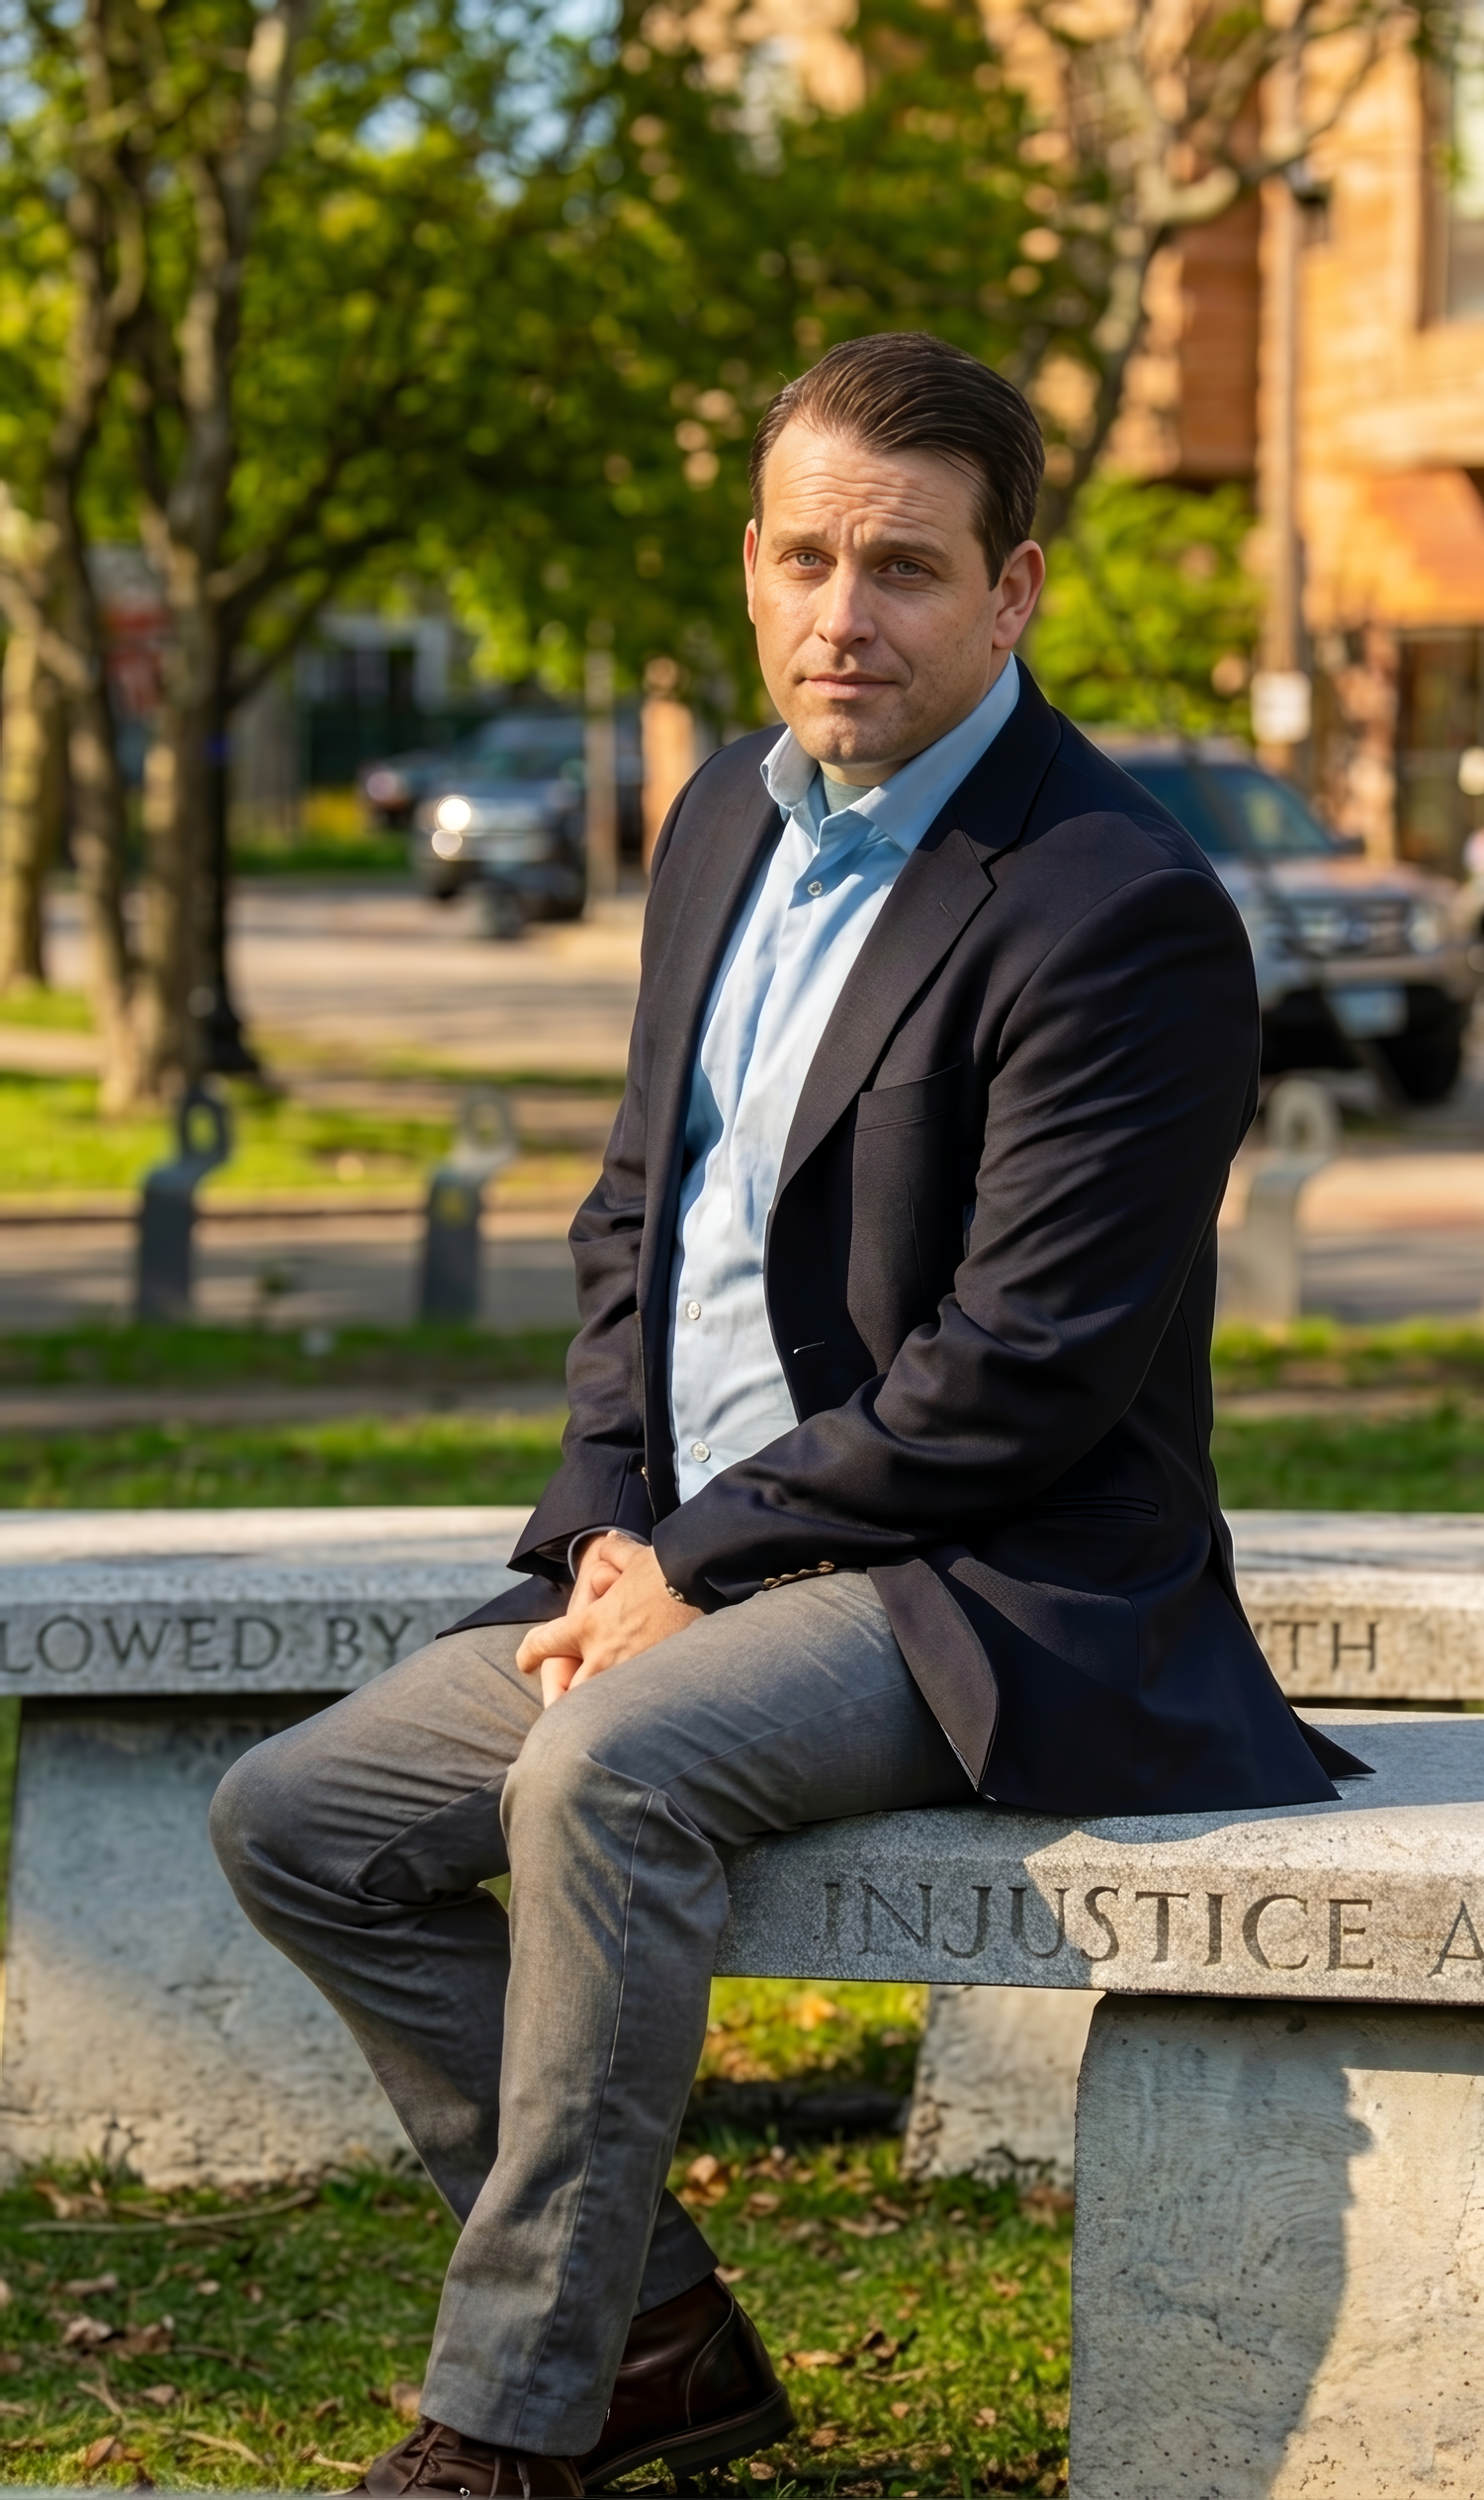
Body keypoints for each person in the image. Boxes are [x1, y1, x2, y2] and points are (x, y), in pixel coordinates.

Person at [211, 329, 1365, 2499]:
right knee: (299, 1818)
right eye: (812, 558)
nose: (849, 614)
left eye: (908, 569)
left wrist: (692, 1569)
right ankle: (641, 2323)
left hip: (987, 1583)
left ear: (1010, 591)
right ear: (749, 564)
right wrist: (591, 1543)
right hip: (694, 1566)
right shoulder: (716, 817)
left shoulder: (1116, 907)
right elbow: (634, 1221)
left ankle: (517, 2416)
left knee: (604, 1768)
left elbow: (1025, 1363)